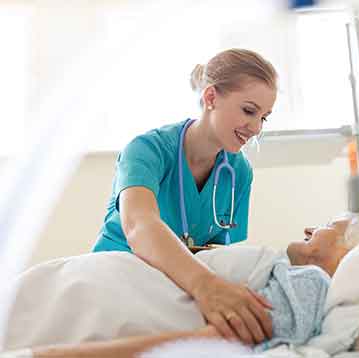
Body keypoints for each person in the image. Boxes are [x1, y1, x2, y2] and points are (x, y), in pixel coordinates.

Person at [91, 48, 278, 345]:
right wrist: (206, 286)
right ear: (211, 98)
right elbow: (139, 225)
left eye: (264, 118)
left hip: (177, 289)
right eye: (248, 111)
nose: (255, 128)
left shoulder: (238, 171)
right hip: (118, 278)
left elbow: (221, 253)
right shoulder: (147, 150)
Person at [3, 215, 359, 358]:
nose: (308, 227)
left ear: (354, 248)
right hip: (68, 290)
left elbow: (196, 345)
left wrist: (46, 356)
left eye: (327, 223)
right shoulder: (288, 274)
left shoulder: (310, 286)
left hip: (72, 308)